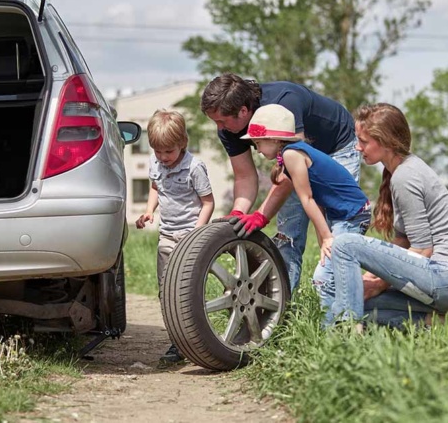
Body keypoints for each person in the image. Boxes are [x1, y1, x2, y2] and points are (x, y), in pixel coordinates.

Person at [201, 73, 359, 293]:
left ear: (243, 111)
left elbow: (294, 165)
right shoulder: (229, 128)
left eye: (221, 121)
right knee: (287, 236)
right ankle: (282, 310)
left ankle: (341, 310)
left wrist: (261, 215)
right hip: (294, 163)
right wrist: (238, 214)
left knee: (337, 232)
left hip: (336, 147)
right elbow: (245, 176)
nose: (219, 127)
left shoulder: (285, 102)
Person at [330, 103, 448, 329]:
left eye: (364, 141)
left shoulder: (405, 177)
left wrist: (380, 283)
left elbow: (422, 250)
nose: (358, 148)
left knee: (345, 244)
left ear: (386, 141)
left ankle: (346, 332)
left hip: (447, 276)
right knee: (364, 308)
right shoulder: (399, 171)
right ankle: (440, 322)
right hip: (441, 280)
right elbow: (403, 241)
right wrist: (371, 277)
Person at [238, 104, 371, 323]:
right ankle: (343, 324)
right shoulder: (293, 152)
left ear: (274, 138)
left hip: (351, 216)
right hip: (344, 215)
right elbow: (318, 201)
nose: (257, 149)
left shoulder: (292, 154)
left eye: (258, 142)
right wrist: (324, 240)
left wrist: (328, 237)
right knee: (331, 270)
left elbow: (307, 199)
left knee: (323, 278)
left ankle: (337, 333)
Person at [135, 109, 215, 362]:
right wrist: (149, 211)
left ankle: (197, 340)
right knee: (166, 290)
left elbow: (208, 203)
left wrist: (197, 232)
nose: (163, 157)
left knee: (187, 290)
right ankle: (176, 343)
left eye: (168, 151)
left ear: (182, 143)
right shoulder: (155, 162)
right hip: (167, 236)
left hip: (190, 236)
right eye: (158, 151)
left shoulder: (195, 167)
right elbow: (156, 187)